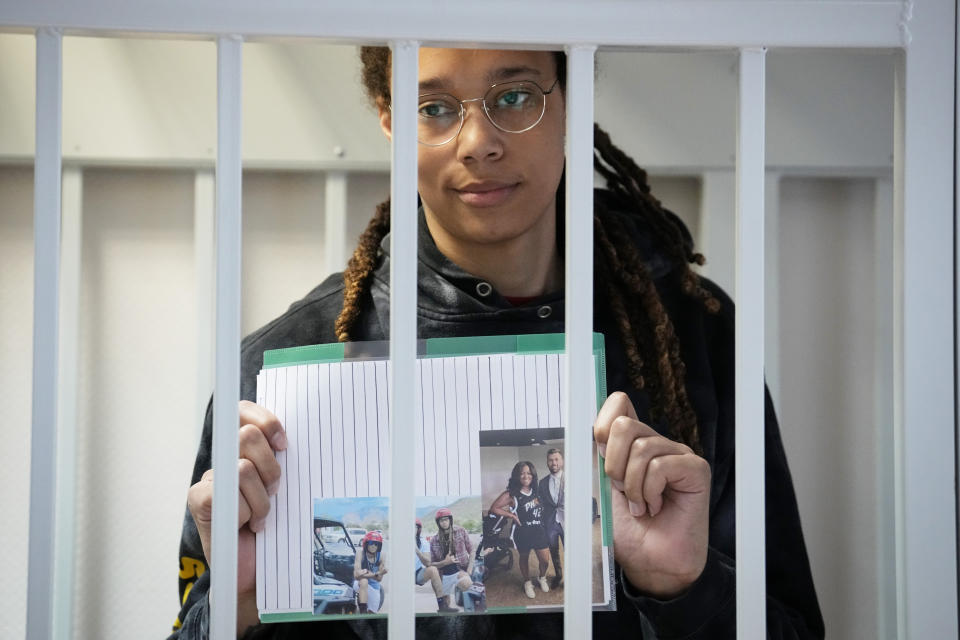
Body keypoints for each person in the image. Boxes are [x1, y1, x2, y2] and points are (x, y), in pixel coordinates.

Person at [170, 46, 824, 638]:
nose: (478, 141)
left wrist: (688, 587)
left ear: (572, 101)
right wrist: (235, 611)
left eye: (515, 96)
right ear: (392, 120)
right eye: (433, 107)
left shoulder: (695, 340)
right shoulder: (282, 371)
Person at [490, 461, 551, 598]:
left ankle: (542, 577)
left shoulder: (537, 490)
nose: (526, 476)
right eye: (522, 473)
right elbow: (494, 508)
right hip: (522, 533)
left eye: (529, 473)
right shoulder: (512, 494)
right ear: (517, 476)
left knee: (545, 561)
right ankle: (527, 582)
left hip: (539, 531)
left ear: (533, 475)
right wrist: (511, 514)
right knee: (524, 558)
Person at [428, 508, 474, 611]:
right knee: (445, 607)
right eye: (441, 520)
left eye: (446, 519)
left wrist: (469, 571)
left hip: (460, 570)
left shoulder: (460, 531)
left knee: (472, 591)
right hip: (443, 576)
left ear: (450, 520)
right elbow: (432, 564)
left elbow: (472, 551)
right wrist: (445, 562)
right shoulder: (434, 541)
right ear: (438, 523)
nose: (444, 522)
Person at [415, 518, 457, 613]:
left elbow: (428, 563)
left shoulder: (423, 542)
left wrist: (417, 550)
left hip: (417, 573)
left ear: (418, 529)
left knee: (433, 569)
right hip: (402, 574)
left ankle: (442, 606)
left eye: (414, 527)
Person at [538, 448, 564, 589]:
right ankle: (558, 575)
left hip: (568, 523)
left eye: (556, 459)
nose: (554, 462)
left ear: (562, 461)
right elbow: (539, 504)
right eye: (550, 460)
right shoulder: (542, 483)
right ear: (547, 463)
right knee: (554, 552)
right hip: (550, 524)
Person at [353, 531, 388, 613]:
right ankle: (362, 611)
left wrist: (365, 572)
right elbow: (356, 575)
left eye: (376, 544)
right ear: (366, 543)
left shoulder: (382, 556)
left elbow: (379, 579)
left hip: (375, 586)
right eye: (371, 543)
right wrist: (376, 573)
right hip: (359, 583)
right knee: (364, 581)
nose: (373, 546)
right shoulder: (360, 553)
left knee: (372, 614)